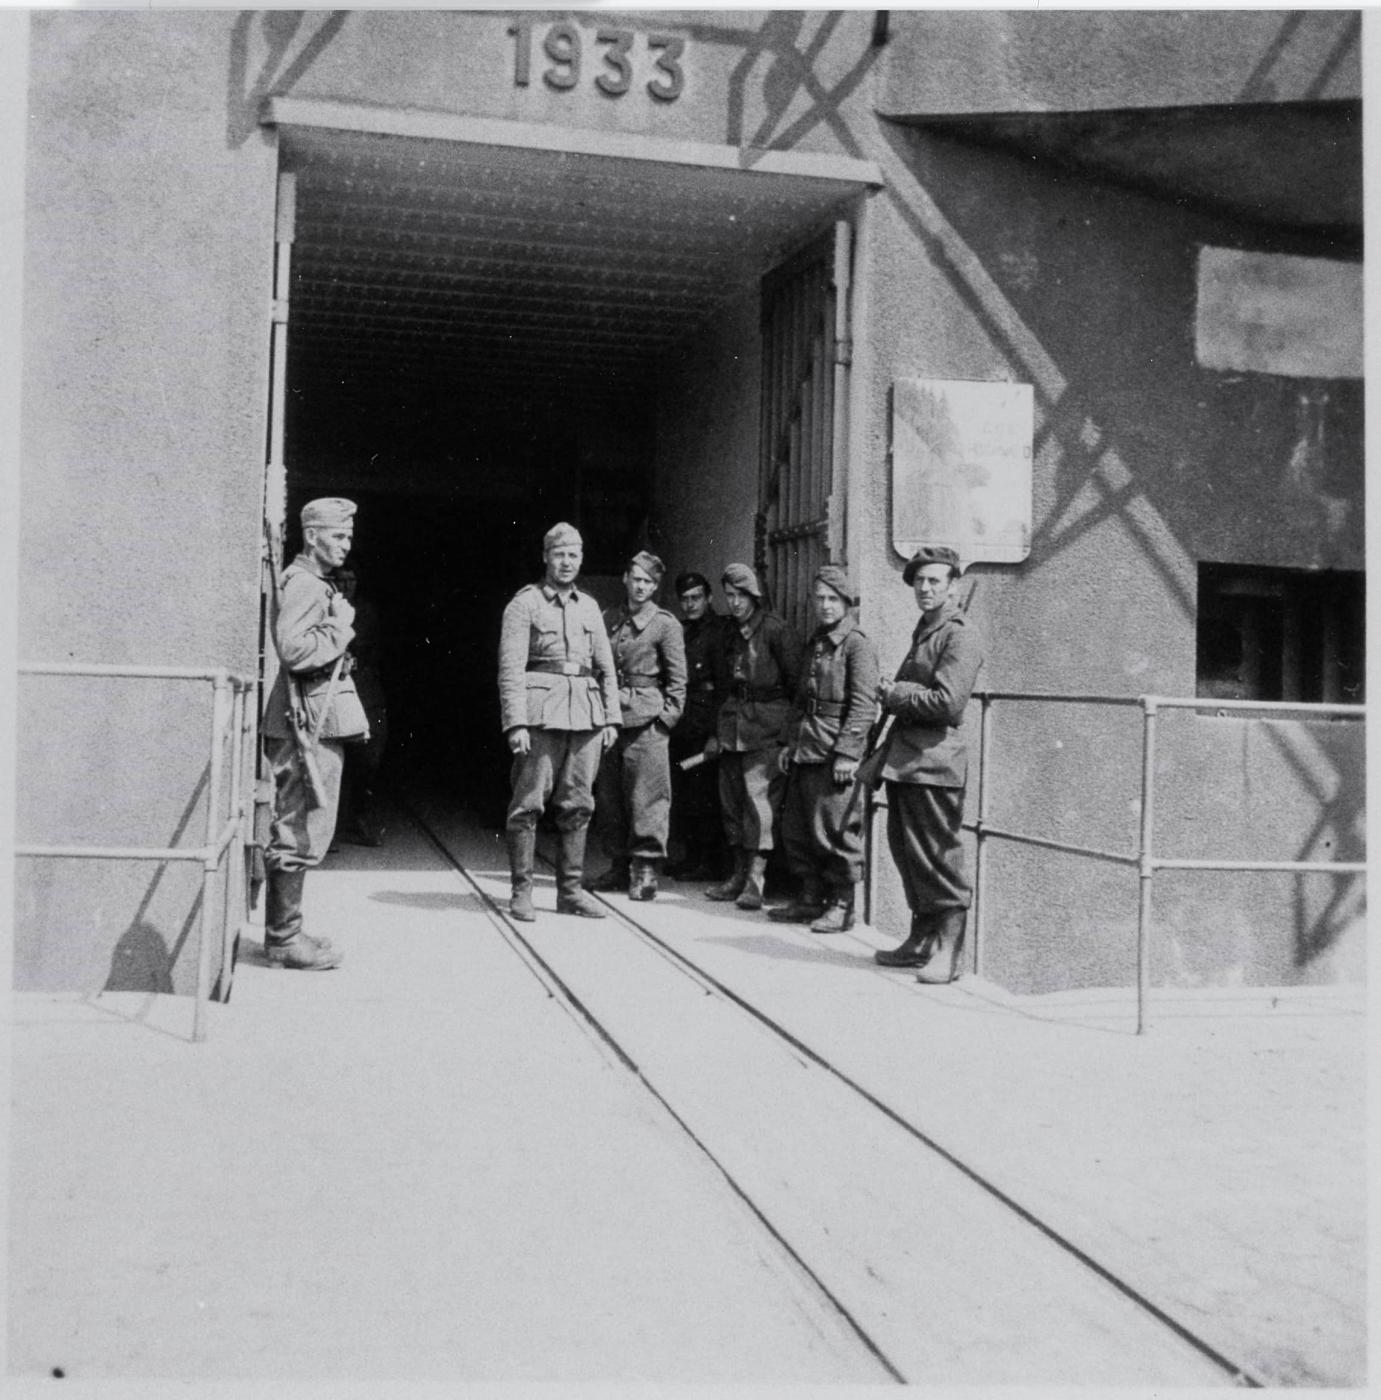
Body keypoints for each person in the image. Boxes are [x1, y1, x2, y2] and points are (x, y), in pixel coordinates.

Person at [260, 497, 371, 970]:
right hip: (304, 721)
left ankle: (289, 929)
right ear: (311, 536)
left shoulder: (310, 582)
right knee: (297, 827)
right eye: (338, 535)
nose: (346, 544)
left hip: (311, 717)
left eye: (349, 536)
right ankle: (283, 940)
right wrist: (340, 630)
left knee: (305, 825)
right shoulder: (305, 584)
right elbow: (293, 650)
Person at [498, 522, 620, 922]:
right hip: (541, 717)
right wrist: (515, 723)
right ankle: (522, 892)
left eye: (573, 555)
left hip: (586, 717)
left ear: (581, 560)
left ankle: (570, 892)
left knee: (579, 804)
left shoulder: (589, 607)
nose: (566, 563)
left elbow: (606, 666)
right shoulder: (525, 604)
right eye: (559, 555)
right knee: (528, 805)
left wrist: (612, 718)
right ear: (545, 557)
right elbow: (511, 669)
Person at [873, 545, 984, 982]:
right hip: (908, 761)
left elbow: (949, 703)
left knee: (938, 857)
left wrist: (895, 693)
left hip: (935, 763)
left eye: (935, 580)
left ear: (953, 586)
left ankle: (950, 954)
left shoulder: (959, 634)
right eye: (919, 580)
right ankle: (920, 940)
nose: (925, 587)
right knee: (908, 853)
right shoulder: (927, 630)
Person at [768, 565, 879, 932]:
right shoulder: (816, 641)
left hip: (833, 750)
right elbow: (801, 697)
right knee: (798, 827)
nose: (825, 605)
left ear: (846, 603)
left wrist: (849, 752)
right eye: (819, 598)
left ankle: (842, 904)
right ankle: (810, 897)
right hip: (805, 744)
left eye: (833, 599)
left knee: (835, 828)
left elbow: (864, 704)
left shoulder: (857, 644)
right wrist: (788, 741)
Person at [589, 551, 687, 900]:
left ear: (655, 586)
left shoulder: (665, 624)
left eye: (648, 581)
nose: (641, 586)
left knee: (648, 798)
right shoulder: (609, 617)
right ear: (625, 580)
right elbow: (599, 667)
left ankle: (644, 869)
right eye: (636, 579)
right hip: (612, 718)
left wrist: (665, 721)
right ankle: (618, 865)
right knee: (610, 797)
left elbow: (678, 680)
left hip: (648, 721)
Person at [705, 563, 802, 911]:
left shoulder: (776, 631)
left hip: (767, 727)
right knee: (731, 802)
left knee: (758, 804)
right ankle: (736, 874)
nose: (733, 603)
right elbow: (724, 684)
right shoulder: (730, 632)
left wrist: (789, 736)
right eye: (729, 596)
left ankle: (755, 879)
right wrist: (718, 730)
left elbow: (797, 688)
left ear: (753, 596)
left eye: (739, 596)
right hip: (733, 725)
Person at [665, 570, 730, 881]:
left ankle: (709, 860)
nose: (690, 605)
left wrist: (717, 733)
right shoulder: (680, 631)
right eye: (685, 599)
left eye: (696, 598)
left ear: (708, 599)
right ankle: (691, 857)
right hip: (684, 725)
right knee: (687, 792)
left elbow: (723, 686)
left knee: (706, 794)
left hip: (706, 727)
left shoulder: (718, 632)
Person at [332, 567, 388, 847]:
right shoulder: (328, 605)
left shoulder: (367, 611)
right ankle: (332, 827)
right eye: (341, 579)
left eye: (351, 580)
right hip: (332, 685)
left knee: (368, 756)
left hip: (365, 687)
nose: (346, 585)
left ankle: (360, 818)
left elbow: (377, 647)